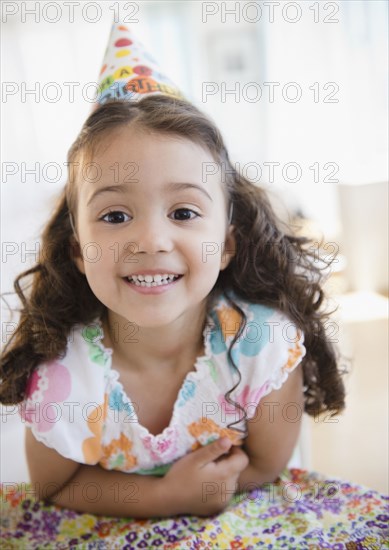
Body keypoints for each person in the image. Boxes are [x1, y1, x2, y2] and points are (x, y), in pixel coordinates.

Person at [0, 25, 345, 520]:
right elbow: (55, 485)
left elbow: (266, 465)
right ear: (78, 251)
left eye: (183, 212)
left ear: (226, 243)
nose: (152, 240)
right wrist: (163, 498)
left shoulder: (263, 346)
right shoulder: (62, 372)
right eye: (116, 216)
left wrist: (204, 495)